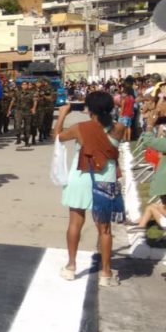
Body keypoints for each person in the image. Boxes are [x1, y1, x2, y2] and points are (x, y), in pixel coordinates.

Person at [55, 92, 125, 287]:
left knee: (75, 223)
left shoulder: (80, 128)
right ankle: (106, 273)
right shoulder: (119, 128)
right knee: (104, 229)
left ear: (89, 109)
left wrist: (62, 114)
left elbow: (57, 137)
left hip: (80, 177)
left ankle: (70, 267)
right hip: (106, 180)